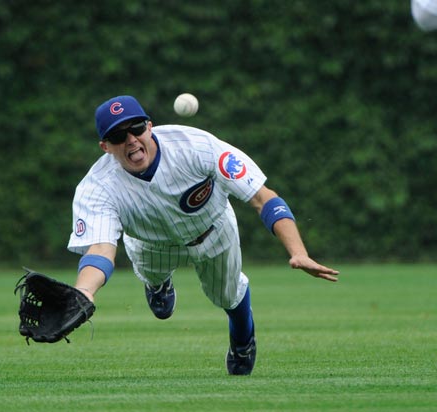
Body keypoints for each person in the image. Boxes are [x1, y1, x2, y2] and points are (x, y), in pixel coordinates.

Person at [67, 95, 339, 375]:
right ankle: (158, 284)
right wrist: (84, 291)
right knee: (153, 279)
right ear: (105, 147)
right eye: (117, 135)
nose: (131, 140)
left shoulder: (196, 147)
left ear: (150, 126)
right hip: (151, 244)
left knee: (228, 296)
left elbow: (262, 198)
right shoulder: (97, 187)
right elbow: (100, 249)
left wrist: (298, 252)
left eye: (136, 128)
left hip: (212, 231)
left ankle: (243, 343)